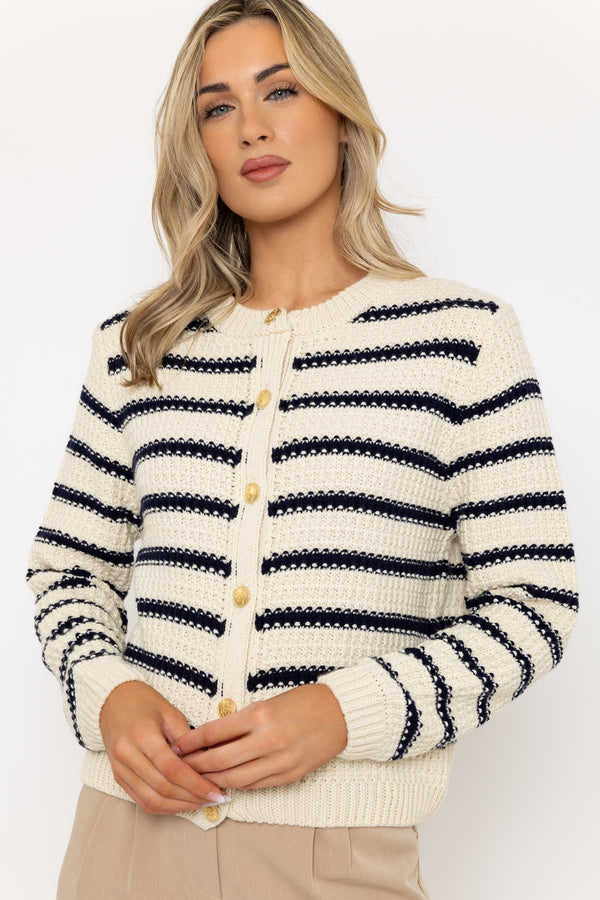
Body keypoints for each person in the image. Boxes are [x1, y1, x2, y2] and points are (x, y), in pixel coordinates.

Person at [25, 1, 579, 898]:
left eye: (280, 90)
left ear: (342, 115)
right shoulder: (139, 348)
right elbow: (67, 572)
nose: (252, 126)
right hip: (124, 842)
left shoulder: (462, 339)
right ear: (197, 144)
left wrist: (343, 712)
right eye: (218, 107)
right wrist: (108, 694)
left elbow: (534, 605)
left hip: (338, 853)